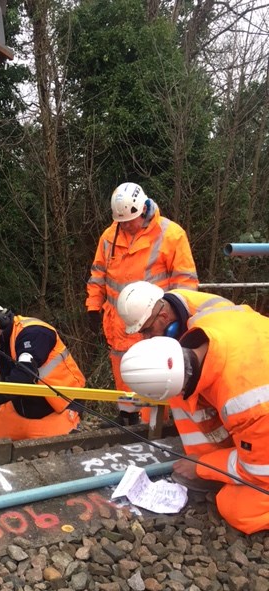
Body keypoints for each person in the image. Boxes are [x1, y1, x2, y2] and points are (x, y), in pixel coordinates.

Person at [119, 303, 269, 534]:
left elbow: (257, 471)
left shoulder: (246, 404)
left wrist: (201, 467)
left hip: (261, 424)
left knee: (236, 508)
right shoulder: (205, 325)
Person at [85, 182, 198, 426]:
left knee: (154, 373)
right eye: (120, 221)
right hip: (118, 322)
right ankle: (127, 415)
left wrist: (179, 317)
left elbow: (186, 283)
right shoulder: (110, 235)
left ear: (143, 209)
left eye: (129, 221)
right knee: (123, 368)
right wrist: (93, 306)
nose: (125, 226)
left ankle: (153, 424)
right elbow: (98, 274)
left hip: (154, 324)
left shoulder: (171, 234)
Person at [116, 281, 238, 460]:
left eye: (148, 330)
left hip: (232, 364)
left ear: (164, 317)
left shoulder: (209, 318)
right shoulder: (171, 315)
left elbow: (228, 364)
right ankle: (203, 457)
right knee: (176, 386)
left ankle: (218, 460)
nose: (146, 338)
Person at [0, 299, 86, 440]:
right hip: (20, 410)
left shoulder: (35, 333)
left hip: (57, 409)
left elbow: (24, 375)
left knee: (55, 453)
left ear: (1, 320)